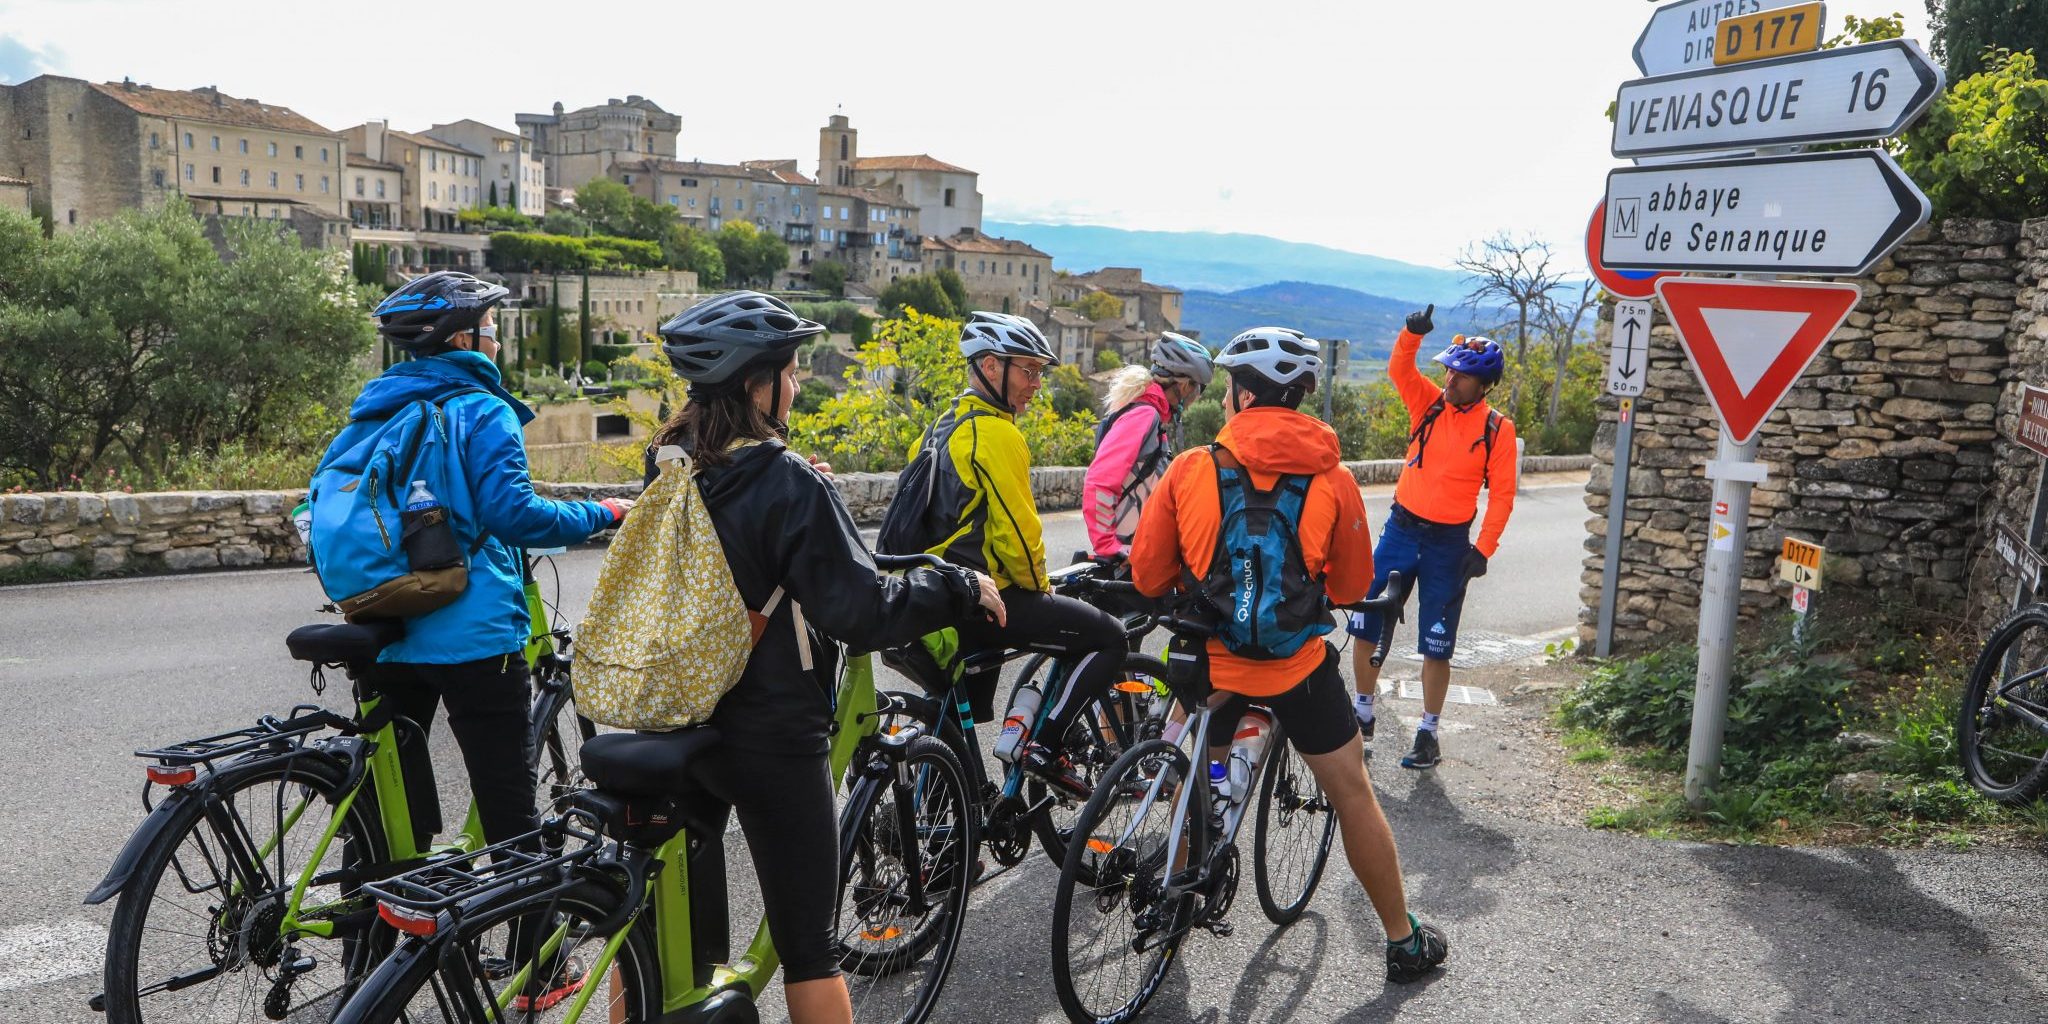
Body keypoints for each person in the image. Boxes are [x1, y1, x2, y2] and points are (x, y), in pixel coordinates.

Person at [652, 291, 1005, 1024]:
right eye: (793, 369)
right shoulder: (786, 482)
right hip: (766, 731)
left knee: (666, 947)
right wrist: (957, 586)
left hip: (667, 717)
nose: (800, 382)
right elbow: (863, 611)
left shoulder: (669, 464)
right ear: (758, 386)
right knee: (808, 945)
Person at [333, 272, 634, 1005]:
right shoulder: (479, 408)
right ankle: (537, 973)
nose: (498, 339)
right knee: (511, 817)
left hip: (385, 624)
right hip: (472, 637)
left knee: (388, 809)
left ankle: (366, 976)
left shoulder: (372, 411)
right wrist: (603, 513)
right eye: (491, 327)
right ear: (464, 339)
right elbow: (516, 517)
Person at [1129, 325, 1449, 984]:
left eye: (1226, 389)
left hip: (1210, 665)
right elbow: (1352, 587)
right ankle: (1402, 941)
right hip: (1297, 671)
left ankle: (1175, 896)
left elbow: (1147, 577)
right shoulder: (1335, 482)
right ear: (1297, 396)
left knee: (1195, 780)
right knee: (1354, 794)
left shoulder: (1193, 469)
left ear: (1243, 394)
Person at [918, 311, 1128, 794]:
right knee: (1109, 637)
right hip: (986, 597)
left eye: (1040, 372)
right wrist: (1045, 588)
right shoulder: (998, 435)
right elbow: (1018, 538)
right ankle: (1044, 746)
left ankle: (953, 831)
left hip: (936, 593)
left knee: (954, 729)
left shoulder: (942, 426)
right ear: (991, 367)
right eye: (1027, 370)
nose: (1037, 383)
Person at [1347, 304, 1518, 770]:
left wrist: (1483, 549)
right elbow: (1399, 369)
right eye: (1448, 371)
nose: (1449, 380)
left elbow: (1502, 495)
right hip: (1401, 529)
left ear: (1483, 385)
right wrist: (1410, 334)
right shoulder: (1428, 403)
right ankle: (1363, 712)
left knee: (1436, 644)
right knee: (1365, 620)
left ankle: (1428, 732)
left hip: (1448, 543)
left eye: (1460, 376)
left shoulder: (1497, 429)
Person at [1081, 332, 1214, 560]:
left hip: (1138, 550)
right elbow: (1100, 480)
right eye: (1198, 390)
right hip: (1125, 553)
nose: (1196, 398)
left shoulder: (1152, 417)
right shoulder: (1144, 415)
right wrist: (1108, 546)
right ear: (1184, 386)